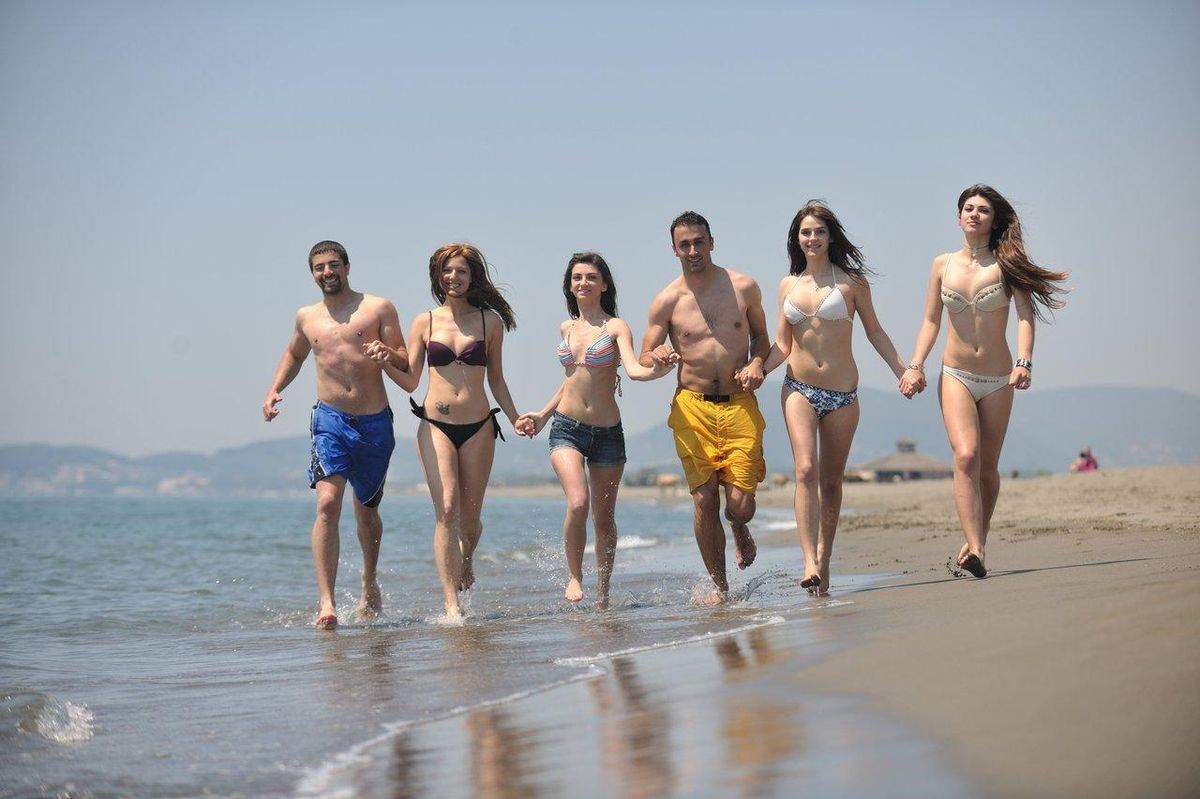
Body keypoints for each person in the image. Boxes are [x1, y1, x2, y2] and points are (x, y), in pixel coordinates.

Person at [900, 185, 1068, 578]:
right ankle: (974, 546)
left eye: (983, 210)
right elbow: (930, 320)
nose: (975, 214)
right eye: (969, 209)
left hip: (997, 377)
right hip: (955, 373)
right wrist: (915, 365)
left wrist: (1024, 362)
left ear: (994, 220)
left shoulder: (1007, 264)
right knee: (966, 456)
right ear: (958, 217)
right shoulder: (942, 264)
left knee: (988, 467)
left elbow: (1026, 316)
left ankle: (979, 539)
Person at [762, 202, 911, 596]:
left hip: (843, 395)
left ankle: (824, 558)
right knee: (806, 470)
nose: (812, 238)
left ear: (831, 236)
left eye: (819, 232)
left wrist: (904, 370)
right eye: (805, 232)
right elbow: (782, 344)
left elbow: (875, 332)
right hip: (799, 388)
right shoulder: (787, 286)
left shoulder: (852, 282)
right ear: (797, 238)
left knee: (830, 481)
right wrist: (757, 368)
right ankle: (808, 558)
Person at [367, 243, 521, 621]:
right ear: (438, 277)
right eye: (446, 271)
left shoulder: (490, 322)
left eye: (461, 272)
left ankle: (467, 559)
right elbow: (410, 381)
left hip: (479, 426)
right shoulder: (426, 322)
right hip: (435, 424)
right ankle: (451, 604)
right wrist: (387, 361)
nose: (453, 278)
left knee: (469, 519)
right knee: (447, 509)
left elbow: (497, 380)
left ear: (472, 277)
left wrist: (517, 418)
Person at [262, 240, 408, 630]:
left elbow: (406, 361)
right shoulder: (307, 317)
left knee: (367, 512)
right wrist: (276, 388)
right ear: (312, 273)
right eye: (319, 267)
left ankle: (368, 580)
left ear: (346, 266)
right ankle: (326, 603)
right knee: (327, 503)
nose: (327, 273)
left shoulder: (378, 308)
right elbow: (295, 355)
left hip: (375, 422)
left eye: (333, 265)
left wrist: (386, 354)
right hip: (330, 421)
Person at [515, 253, 674, 608]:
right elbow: (570, 380)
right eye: (576, 278)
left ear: (603, 284)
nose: (583, 283)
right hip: (566, 428)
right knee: (578, 501)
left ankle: (603, 592)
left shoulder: (616, 327)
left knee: (604, 519)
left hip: (607, 434)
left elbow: (633, 370)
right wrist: (542, 415)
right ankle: (575, 576)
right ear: (569, 286)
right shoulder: (566, 328)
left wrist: (660, 371)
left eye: (590, 277)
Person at [640, 211, 771, 604]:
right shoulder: (667, 300)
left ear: (712, 242)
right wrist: (657, 355)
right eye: (685, 245)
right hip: (692, 408)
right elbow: (644, 354)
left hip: (739, 404)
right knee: (703, 498)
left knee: (741, 508)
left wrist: (756, 363)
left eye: (699, 242)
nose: (693, 251)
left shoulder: (743, 287)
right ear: (674, 249)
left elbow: (762, 337)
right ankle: (720, 586)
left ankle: (739, 527)